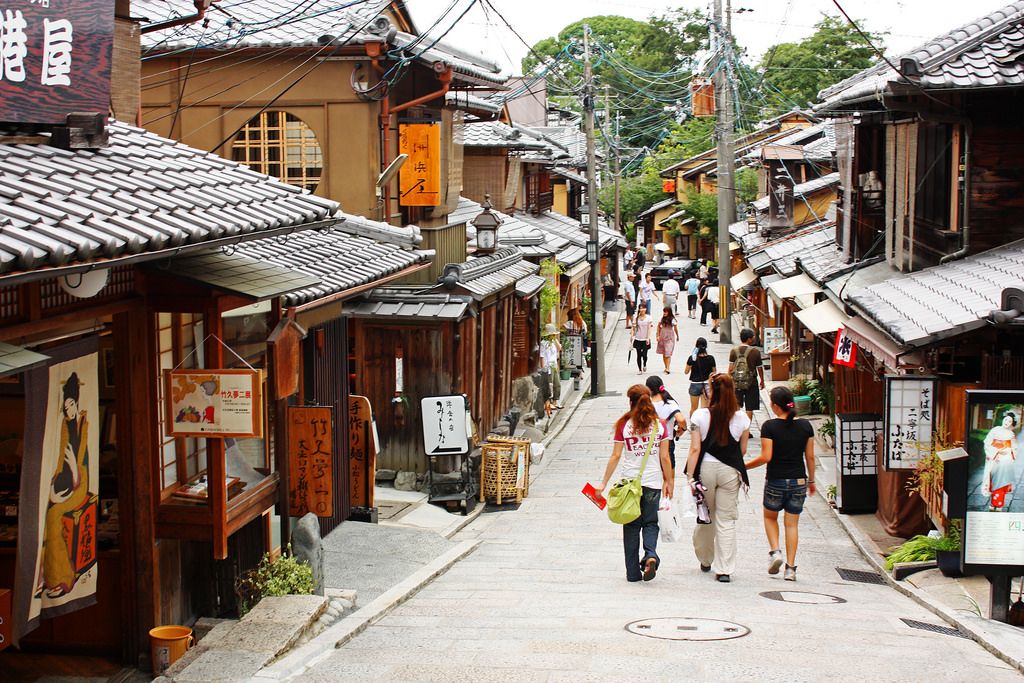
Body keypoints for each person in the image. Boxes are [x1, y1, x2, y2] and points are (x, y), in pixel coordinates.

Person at [595, 384, 674, 582]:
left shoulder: (624, 425)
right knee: (650, 522)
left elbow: (615, 455)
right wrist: (669, 480)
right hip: (653, 483)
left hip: (630, 484)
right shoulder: (660, 425)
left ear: (631, 401)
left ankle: (632, 573)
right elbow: (665, 457)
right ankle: (650, 555)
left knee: (630, 526)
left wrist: (603, 483)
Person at [745, 386, 816, 582]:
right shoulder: (805, 426)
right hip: (799, 480)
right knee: (792, 525)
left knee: (770, 518)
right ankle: (791, 569)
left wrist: (744, 467)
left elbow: (766, 456)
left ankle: (775, 552)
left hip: (776, 479)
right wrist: (811, 481)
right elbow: (810, 457)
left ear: (775, 406)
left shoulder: (770, 426)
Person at [685, 373, 751, 583]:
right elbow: (743, 450)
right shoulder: (742, 418)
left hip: (705, 468)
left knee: (706, 515)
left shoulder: (699, 416)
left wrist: (689, 477)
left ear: (711, 391)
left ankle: (706, 559)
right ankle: (724, 569)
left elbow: (695, 448)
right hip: (730, 470)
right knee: (726, 519)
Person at [646, 376, 687, 470]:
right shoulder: (670, 403)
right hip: (668, 442)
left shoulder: (646, 405)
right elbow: (681, 420)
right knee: (669, 479)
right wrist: (683, 429)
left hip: (650, 443)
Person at [982, 409, 1019, 511]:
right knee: (993, 480)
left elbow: (1014, 447)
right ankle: (994, 503)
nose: (1007, 422)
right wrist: (996, 452)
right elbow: (987, 442)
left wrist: (1008, 452)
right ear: (1003, 419)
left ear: (1012, 424)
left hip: (1005, 459)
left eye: (1009, 422)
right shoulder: (995, 430)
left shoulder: (1011, 434)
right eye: (1006, 420)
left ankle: (999, 504)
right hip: (995, 457)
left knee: (1002, 481)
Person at [729, 328, 765, 420]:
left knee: (736, 406)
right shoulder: (755, 352)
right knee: (749, 408)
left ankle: (737, 427)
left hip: (737, 381)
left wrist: (729, 381)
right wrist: (762, 381)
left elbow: (730, 368)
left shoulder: (734, 351)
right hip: (751, 382)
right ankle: (747, 429)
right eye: (752, 337)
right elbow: (759, 368)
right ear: (749, 339)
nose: (753, 339)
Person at [684, 337, 717, 414]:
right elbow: (714, 372)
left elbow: (686, 371)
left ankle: (692, 424)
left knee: (693, 408)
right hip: (706, 384)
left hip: (694, 384)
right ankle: (703, 425)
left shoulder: (692, 358)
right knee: (704, 409)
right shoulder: (711, 358)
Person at [539, 324, 562, 412]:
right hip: (547, 366)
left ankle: (556, 401)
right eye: (552, 334)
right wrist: (543, 369)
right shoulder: (543, 344)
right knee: (549, 384)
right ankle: (549, 402)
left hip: (554, 365)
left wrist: (555, 340)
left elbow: (559, 348)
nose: (553, 335)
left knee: (557, 383)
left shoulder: (553, 342)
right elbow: (542, 357)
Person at [655, 307, 679, 374]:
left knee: (668, 352)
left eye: (666, 312)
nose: (664, 313)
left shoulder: (672, 320)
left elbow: (675, 328)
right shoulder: (661, 319)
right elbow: (658, 327)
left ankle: (668, 368)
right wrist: (657, 335)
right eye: (664, 311)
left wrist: (677, 335)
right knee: (664, 352)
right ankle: (666, 367)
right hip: (662, 336)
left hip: (670, 337)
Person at [631, 305, 652, 374]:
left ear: (646, 309)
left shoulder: (648, 318)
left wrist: (648, 338)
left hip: (645, 339)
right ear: (639, 309)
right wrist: (632, 336)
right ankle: (640, 369)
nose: (642, 309)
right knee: (639, 355)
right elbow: (633, 328)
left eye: (643, 308)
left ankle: (645, 364)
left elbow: (649, 328)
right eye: (641, 308)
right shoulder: (636, 318)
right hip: (638, 339)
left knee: (645, 355)